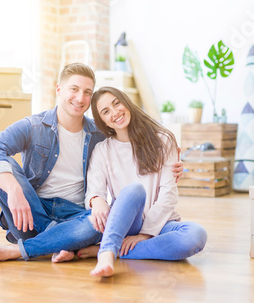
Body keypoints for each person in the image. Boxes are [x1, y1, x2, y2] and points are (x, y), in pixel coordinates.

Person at [0, 63, 183, 263]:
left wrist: (169, 161)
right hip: (32, 212)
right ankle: (59, 239)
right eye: (74, 89)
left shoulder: (99, 134)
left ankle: (26, 248)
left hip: (76, 215)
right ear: (59, 89)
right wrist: (14, 190)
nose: (80, 98)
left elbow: (128, 150)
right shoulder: (33, 126)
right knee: (4, 164)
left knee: (101, 222)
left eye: (87, 92)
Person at [78, 86, 207, 278]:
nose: (115, 112)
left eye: (117, 103)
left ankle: (107, 250)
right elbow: (95, 189)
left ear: (126, 102)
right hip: (126, 221)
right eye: (106, 112)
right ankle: (108, 251)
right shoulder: (102, 150)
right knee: (133, 191)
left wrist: (145, 234)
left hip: (160, 223)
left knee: (196, 235)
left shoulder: (163, 140)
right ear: (102, 121)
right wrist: (97, 199)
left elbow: (168, 195)